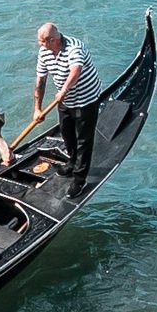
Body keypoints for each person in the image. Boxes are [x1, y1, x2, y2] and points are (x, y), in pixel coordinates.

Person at [33, 21, 102, 190]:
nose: (40, 45)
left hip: (87, 99)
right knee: (67, 134)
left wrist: (64, 89)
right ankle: (72, 162)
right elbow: (40, 81)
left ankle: (79, 179)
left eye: (43, 42)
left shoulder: (74, 48)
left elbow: (75, 71)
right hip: (65, 100)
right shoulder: (44, 52)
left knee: (83, 140)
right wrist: (37, 108)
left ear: (53, 40)